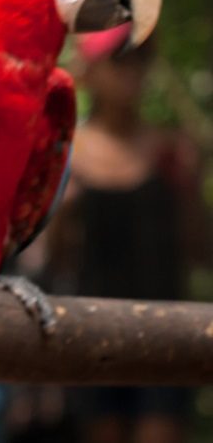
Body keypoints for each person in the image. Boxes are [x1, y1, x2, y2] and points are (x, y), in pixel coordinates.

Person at [47, 26, 210, 443]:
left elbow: (201, 252)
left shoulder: (170, 152)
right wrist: (63, 215)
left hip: (168, 336)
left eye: (141, 58)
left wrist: (190, 188)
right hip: (89, 334)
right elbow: (51, 263)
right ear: (89, 71)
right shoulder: (67, 152)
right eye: (120, 59)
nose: (133, 71)